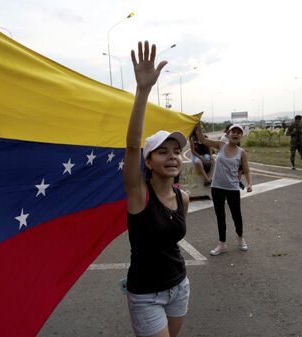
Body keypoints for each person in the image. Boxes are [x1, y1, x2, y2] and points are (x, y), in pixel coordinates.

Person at [123, 40, 190, 337]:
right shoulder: (139, 195)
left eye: (176, 151)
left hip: (180, 286)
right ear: (148, 162)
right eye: (162, 152)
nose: (172, 156)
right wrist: (143, 90)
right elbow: (131, 145)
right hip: (146, 295)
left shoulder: (182, 197)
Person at [195, 123, 253, 256]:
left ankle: (240, 238)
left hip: (232, 188)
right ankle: (222, 244)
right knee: (220, 216)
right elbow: (203, 140)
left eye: (239, 132)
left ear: (240, 136)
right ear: (228, 134)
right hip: (217, 187)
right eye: (233, 131)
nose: (236, 134)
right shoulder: (221, 145)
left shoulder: (241, 152)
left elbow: (247, 170)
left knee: (236, 215)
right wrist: (198, 127)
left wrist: (249, 184)